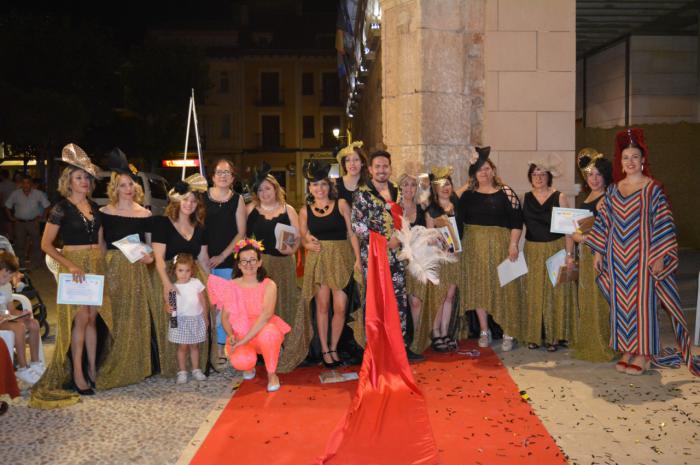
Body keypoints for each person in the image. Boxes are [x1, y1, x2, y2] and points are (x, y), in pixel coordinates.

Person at [587, 128, 699, 376]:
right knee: (621, 305)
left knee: (644, 305)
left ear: (643, 160)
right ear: (621, 162)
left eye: (635, 157)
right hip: (617, 259)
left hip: (645, 259)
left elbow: (664, 223)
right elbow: (604, 222)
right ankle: (627, 349)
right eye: (626, 157)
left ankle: (644, 352)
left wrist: (660, 256)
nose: (630, 162)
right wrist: (598, 253)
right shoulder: (614, 190)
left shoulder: (653, 189)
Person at [31, 144, 112, 408]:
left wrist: (104, 267)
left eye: (87, 177)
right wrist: (71, 265)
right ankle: (77, 373)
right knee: (79, 320)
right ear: (69, 181)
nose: (85, 181)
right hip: (73, 267)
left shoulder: (94, 208)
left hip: (94, 266)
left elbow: (101, 243)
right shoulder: (61, 208)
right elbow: (46, 244)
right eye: (79, 177)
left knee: (91, 318)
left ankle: (91, 369)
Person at [352, 150, 424, 361]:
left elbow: (402, 222)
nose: (382, 170)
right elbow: (357, 226)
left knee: (398, 299)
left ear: (390, 168)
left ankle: (400, 346)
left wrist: (400, 239)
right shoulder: (362, 194)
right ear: (371, 169)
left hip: (396, 256)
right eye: (378, 167)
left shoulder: (397, 192)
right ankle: (377, 347)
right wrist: (384, 241)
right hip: (373, 257)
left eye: (386, 166)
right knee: (376, 299)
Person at [97, 151, 155, 388]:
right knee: (115, 316)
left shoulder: (145, 213)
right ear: (115, 188)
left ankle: (138, 364)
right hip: (112, 270)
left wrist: (147, 258)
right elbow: (101, 246)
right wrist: (101, 272)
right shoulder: (104, 213)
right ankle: (113, 359)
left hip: (136, 272)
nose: (128, 189)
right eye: (123, 185)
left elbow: (151, 250)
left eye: (131, 184)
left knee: (136, 317)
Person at [457, 147, 523, 351]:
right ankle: (484, 330)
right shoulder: (467, 194)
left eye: (486, 168)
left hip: (501, 245)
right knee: (479, 288)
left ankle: (508, 331)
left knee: (505, 288)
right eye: (478, 169)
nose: (483, 172)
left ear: (493, 170)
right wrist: (467, 183)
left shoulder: (506, 192)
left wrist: (513, 244)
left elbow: (517, 221)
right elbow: (451, 203)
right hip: (474, 247)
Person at [246, 163, 307, 372]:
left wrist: (292, 248)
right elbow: (244, 239)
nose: (264, 193)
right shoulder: (251, 210)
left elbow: (297, 237)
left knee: (285, 302)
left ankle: (286, 347)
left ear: (276, 189)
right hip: (260, 267)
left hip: (284, 264)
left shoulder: (288, 210)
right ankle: (263, 348)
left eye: (268, 188)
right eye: (260, 189)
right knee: (261, 308)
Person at [300, 160, 360, 368]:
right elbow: (303, 238)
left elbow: (352, 233)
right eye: (315, 185)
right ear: (309, 188)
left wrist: (358, 260)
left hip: (342, 259)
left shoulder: (342, 204)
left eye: (323, 184)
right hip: (320, 262)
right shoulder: (305, 211)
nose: (319, 188)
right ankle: (325, 349)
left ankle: (334, 346)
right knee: (323, 306)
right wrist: (308, 244)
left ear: (330, 186)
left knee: (341, 307)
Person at [209, 239, 291, 392]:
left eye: (253, 260)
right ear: (239, 265)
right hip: (241, 333)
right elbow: (225, 317)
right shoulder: (232, 285)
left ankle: (272, 374)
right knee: (241, 361)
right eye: (244, 261)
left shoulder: (269, 285)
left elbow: (266, 316)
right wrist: (231, 335)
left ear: (260, 262)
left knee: (270, 334)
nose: (249, 264)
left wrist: (244, 341)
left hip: (263, 330)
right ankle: (249, 365)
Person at [151, 174, 211, 378]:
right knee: (173, 320)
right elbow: (158, 258)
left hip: (195, 280)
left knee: (197, 319)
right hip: (171, 277)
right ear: (177, 200)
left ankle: (197, 365)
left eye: (194, 200)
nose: (190, 204)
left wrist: (212, 286)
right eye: (185, 199)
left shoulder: (200, 227)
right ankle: (176, 368)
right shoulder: (163, 223)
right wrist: (167, 285)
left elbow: (203, 258)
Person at [521, 155, 576, 352]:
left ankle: (555, 336)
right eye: (535, 173)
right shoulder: (524, 197)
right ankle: (534, 335)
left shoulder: (559, 196)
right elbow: (517, 226)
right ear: (530, 176)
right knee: (534, 293)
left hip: (556, 248)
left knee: (555, 293)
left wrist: (570, 255)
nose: (539, 177)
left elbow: (570, 230)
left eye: (542, 173)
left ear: (548, 176)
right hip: (533, 250)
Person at [570, 149, 616, 362]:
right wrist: (577, 236)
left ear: (605, 176)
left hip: (602, 255)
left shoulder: (608, 198)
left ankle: (604, 342)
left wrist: (586, 239)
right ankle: (590, 339)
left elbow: (610, 231)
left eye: (598, 174)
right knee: (588, 298)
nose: (594, 179)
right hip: (587, 254)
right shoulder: (588, 196)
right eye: (590, 175)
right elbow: (583, 228)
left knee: (602, 299)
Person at [204, 158, 246, 365]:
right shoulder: (201, 198)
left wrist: (222, 256)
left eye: (227, 172)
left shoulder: (237, 200)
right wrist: (203, 258)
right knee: (205, 305)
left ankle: (221, 346)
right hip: (203, 260)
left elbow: (241, 232)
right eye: (219, 172)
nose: (223, 175)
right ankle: (205, 346)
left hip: (227, 261)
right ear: (212, 176)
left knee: (225, 306)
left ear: (232, 177)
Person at [422, 167, 462, 352]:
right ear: (434, 188)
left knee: (450, 295)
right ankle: (436, 332)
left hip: (456, 256)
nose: (446, 187)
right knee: (440, 296)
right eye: (441, 184)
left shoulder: (457, 205)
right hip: (440, 258)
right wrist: (439, 243)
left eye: (448, 183)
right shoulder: (431, 210)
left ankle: (446, 332)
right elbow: (429, 237)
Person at [0, 251, 43, 385]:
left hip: (5, 319)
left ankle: (36, 364)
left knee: (33, 323)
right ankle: (22, 368)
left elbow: (11, 309)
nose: (6, 280)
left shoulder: (6, 286)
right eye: (4, 276)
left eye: (10, 277)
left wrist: (22, 314)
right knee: (19, 327)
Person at [399, 173, 430, 354]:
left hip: (417, 260)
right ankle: (402, 339)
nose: (409, 188)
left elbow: (427, 234)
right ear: (400, 187)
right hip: (398, 261)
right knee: (401, 303)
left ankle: (417, 339)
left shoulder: (421, 209)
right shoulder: (393, 208)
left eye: (412, 185)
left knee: (416, 301)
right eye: (405, 185)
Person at [167, 253, 208, 384]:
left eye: (187, 270)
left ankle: (196, 369)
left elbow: (202, 300)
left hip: (195, 319)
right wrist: (168, 310)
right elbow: (171, 306)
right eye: (180, 270)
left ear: (192, 271)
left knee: (195, 346)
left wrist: (205, 317)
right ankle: (182, 371)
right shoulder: (173, 287)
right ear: (174, 271)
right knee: (182, 347)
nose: (184, 274)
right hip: (180, 321)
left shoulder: (196, 283)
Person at [4, 175, 50, 269]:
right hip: (19, 223)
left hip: (33, 222)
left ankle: (37, 263)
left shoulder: (38, 193)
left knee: (36, 243)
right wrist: (11, 217)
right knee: (19, 244)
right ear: (21, 184)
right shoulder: (15, 194)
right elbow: (7, 206)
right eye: (24, 183)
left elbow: (47, 206)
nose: (26, 185)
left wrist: (42, 217)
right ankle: (20, 264)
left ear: (31, 184)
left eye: (28, 183)